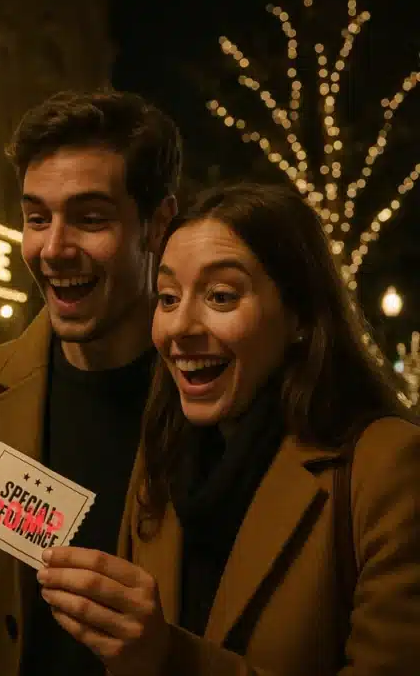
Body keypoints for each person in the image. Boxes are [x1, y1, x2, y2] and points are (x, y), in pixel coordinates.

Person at [33, 182, 420, 675]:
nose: (179, 328)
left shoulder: (389, 466)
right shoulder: (163, 458)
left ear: (299, 314)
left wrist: (172, 658)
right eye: (168, 297)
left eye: (220, 296)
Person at [0, 90, 181, 675]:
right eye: (36, 218)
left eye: (90, 218)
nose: (53, 248)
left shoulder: (208, 392)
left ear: (157, 225)